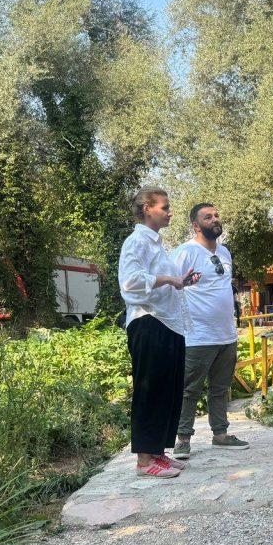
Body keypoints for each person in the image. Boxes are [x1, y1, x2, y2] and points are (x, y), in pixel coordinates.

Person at [118, 187, 201, 478]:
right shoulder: (137, 241)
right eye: (164, 207)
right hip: (149, 321)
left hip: (167, 322)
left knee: (168, 389)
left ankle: (157, 453)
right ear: (147, 209)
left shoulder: (155, 244)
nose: (170, 212)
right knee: (151, 389)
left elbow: (157, 281)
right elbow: (130, 282)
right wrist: (168, 278)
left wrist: (179, 281)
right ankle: (144, 461)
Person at [172, 203, 250, 455]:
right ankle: (183, 439)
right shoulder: (185, 252)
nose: (215, 219)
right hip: (197, 336)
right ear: (196, 225)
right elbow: (170, 286)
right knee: (189, 390)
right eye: (208, 217)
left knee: (220, 388)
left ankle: (221, 434)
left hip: (226, 334)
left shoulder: (224, 252)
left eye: (216, 215)